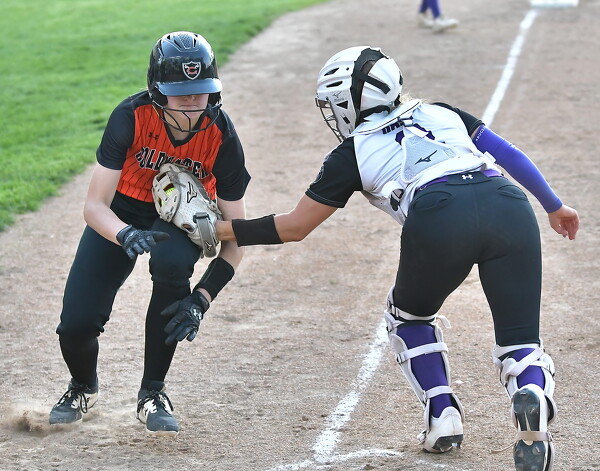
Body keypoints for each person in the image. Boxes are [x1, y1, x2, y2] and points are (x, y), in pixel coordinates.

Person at [209, 46, 578, 470]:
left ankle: (442, 415)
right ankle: (531, 394)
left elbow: (295, 226)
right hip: (509, 203)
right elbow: (508, 154)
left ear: (349, 102)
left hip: (440, 212)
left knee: (409, 316)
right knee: (519, 339)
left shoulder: (352, 151)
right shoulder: (441, 111)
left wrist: (218, 230)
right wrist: (554, 205)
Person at [48, 31, 250, 436]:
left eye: (201, 91)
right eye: (180, 93)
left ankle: (153, 392)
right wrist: (124, 235)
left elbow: (236, 237)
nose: (192, 102)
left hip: (178, 220)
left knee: (173, 264)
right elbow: (94, 206)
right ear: (157, 92)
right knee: (76, 324)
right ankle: (83, 386)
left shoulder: (223, 137)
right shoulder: (131, 116)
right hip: (122, 210)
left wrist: (202, 298)